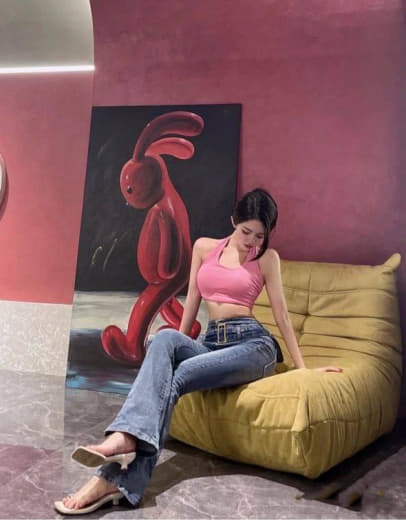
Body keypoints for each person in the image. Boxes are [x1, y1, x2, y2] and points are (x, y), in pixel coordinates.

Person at [54, 188, 342, 515]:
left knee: (180, 376)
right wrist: (174, 348)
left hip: (253, 346)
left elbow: (282, 316)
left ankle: (112, 472)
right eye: (246, 231)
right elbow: (192, 299)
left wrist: (302, 369)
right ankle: (124, 442)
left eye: (260, 236)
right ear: (233, 221)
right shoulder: (204, 247)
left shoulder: (267, 259)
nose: (251, 241)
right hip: (211, 341)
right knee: (163, 340)